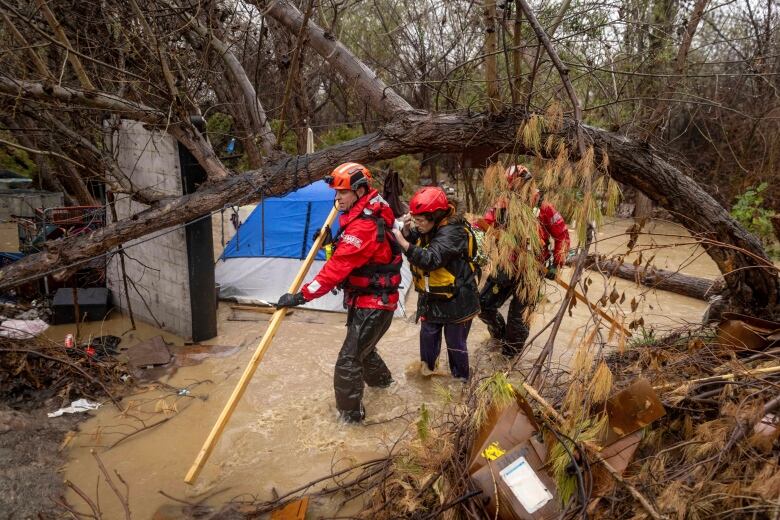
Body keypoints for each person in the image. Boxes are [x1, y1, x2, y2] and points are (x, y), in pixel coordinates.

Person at [276, 162, 402, 423]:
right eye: (336, 192)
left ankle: (351, 421)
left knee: (348, 361)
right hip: (370, 301)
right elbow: (351, 258)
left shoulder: (363, 226)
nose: (337, 198)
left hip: (374, 304)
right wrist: (330, 242)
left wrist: (300, 297)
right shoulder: (359, 215)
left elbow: (335, 270)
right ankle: (388, 389)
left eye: (342, 192)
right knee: (363, 354)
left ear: (359, 190)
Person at [475, 164, 570, 357]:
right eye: (511, 188)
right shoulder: (502, 204)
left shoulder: (544, 207)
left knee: (518, 320)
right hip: (506, 264)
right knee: (482, 306)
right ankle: (497, 335)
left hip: (532, 270)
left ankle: (508, 360)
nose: (515, 192)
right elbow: (484, 223)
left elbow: (562, 236)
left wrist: (556, 264)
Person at [392, 187, 480, 382]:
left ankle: (461, 385)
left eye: (420, 220)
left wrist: (402, 242)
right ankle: (427, 380)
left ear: (436, 216)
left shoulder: (454, 232)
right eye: (415, 219)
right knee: (428, 343)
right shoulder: (431, 226)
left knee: (456, 347)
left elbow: (431, 258)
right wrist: (407, 232)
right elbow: (420, 240)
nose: (417, 224)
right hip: (432, 298)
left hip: (458, 300)